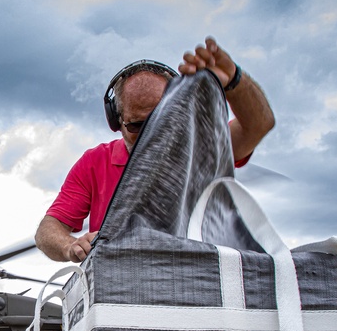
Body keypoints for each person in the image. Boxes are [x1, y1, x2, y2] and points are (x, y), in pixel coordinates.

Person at [35, 38, 274, 262]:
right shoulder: (94, 163)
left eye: (160, 122)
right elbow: (48, 229)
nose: (150, 135)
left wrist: (234, 80)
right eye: (139, 125)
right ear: (116, 121)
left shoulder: (200, 152)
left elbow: (258, 126)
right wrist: (69, 245)